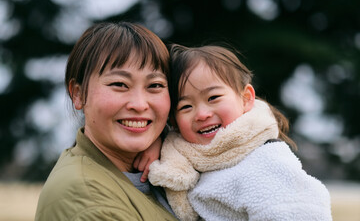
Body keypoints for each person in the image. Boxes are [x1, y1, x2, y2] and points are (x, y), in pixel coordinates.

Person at [148, 44, 332, 221]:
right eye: (186, 106)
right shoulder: (184, 157)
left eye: (213, 98)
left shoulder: (267, 160)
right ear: (174, 121)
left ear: (246, 98)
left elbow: (298, 212)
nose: (202, 114)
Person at [35, 22, 178, 220]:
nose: (139, 104)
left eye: (155, 85)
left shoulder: (174, 162)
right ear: (78, 94)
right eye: (119, 84)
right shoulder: (84, 196)